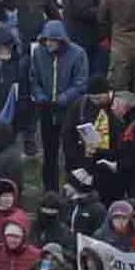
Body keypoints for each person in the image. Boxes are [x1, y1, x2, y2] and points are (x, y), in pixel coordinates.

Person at [29, 20, 88, 192]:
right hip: (47, 109)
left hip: (70, 110)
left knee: (71, 151)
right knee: (49, 152)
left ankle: (73, 188)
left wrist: (65, 97)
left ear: (61, 40)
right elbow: (34, 79)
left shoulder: (78, 54)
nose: (49, 44)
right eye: (46, 40)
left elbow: (81, 82)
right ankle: (50, 190)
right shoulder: (38, 53)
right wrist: (40, 95)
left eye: (52, 40)